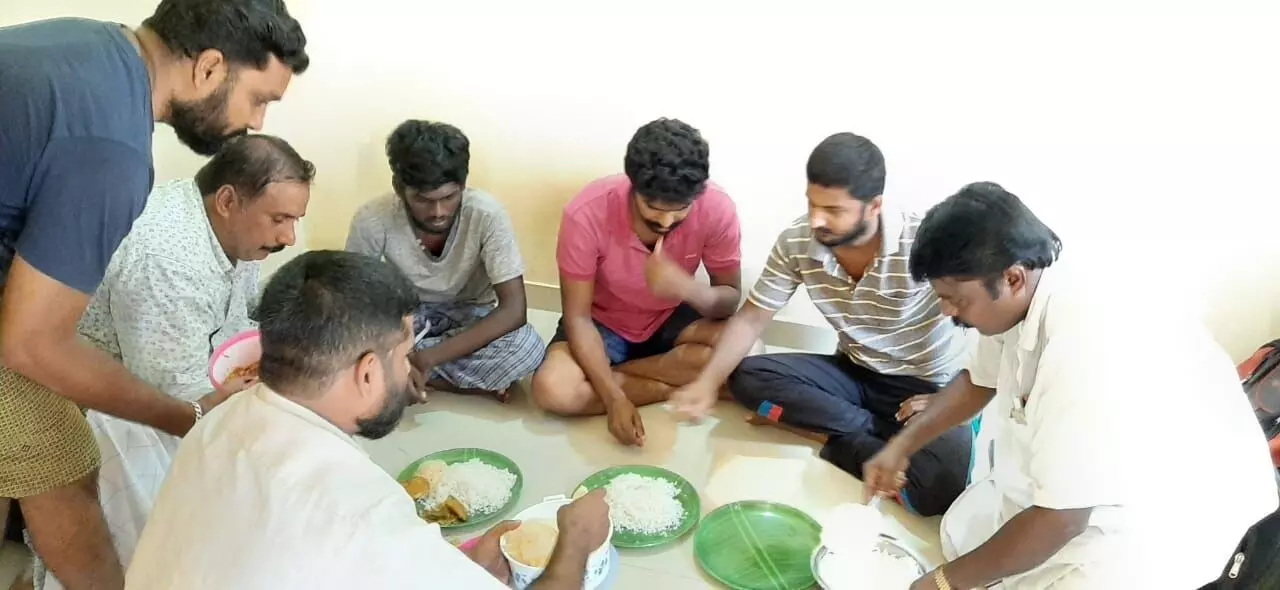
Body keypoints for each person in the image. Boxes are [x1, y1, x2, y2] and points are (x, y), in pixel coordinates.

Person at [0, 1, 308, 587]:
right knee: (60, 461)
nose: (257, 121)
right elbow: (31, 344)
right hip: (33, 339)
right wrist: (189, 417)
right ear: (209, 68)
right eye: (259, 99)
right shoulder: (111, 151)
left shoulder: (93, 46)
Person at [861, 182, 1279, 589]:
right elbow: (976, 381)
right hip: (1081, 489)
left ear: (1012, 279)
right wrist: (902, 446)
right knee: (965, 535)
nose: (946, 311)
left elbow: (1061, 520)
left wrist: (941, 583)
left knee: (987, 566)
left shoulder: (1086, 345)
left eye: (956, 299)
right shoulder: (1020, 291)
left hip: (1168, 517)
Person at [125, 250, 611, 589]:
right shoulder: (359, 512)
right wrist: (576, 540)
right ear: (368, 372)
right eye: (404, 356)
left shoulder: (219, 420)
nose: (410, 371)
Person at [42, 135, 313, 590]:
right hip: (113, 405)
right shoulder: (166, 261)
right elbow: (174, 395)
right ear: (227, 200)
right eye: (280, 219)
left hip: (181, 371)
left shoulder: (233, 229)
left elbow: (242, 317)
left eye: (294, 220)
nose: (288, 237)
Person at [670, 133, 973, 517]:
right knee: (746, 377)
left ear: (874, 206)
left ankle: (830, 433)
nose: (816, 219)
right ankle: (875, 437)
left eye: (833, 210)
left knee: (945, 487)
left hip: (925, 385)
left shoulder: (925, 243)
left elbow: (988, 325)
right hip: (853, 373)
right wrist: (707, 382)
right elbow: (750, 319)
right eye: (812, 203)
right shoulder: (798, 241)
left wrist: (949, 400)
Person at [530, 118, 744, 446]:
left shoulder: (717, 207)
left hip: (672, 317)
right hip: (604, 323)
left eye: (681, 210)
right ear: (633, 186)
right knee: (552, 389)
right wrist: (613, 398)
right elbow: (578, 317)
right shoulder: (586, 212)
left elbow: (729, 300)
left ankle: (617, 375)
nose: (666, 221)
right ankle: (668, 385)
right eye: (653, 208)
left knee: (748, 351)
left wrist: (686, 288)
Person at [347, 120, 544, 403]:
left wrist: (426, 358)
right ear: (399, 188)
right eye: (423, 200)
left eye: (449, 197)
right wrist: (396, 343)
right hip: (407, 318)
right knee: (342, 342)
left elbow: (514, 310)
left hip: (471, 314)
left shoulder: (487, 215)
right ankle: (444, 380)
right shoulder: (372, 219)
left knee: (527, 348)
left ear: (463, 186)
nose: (438, 212)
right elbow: (355, 303)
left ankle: (404, 374)